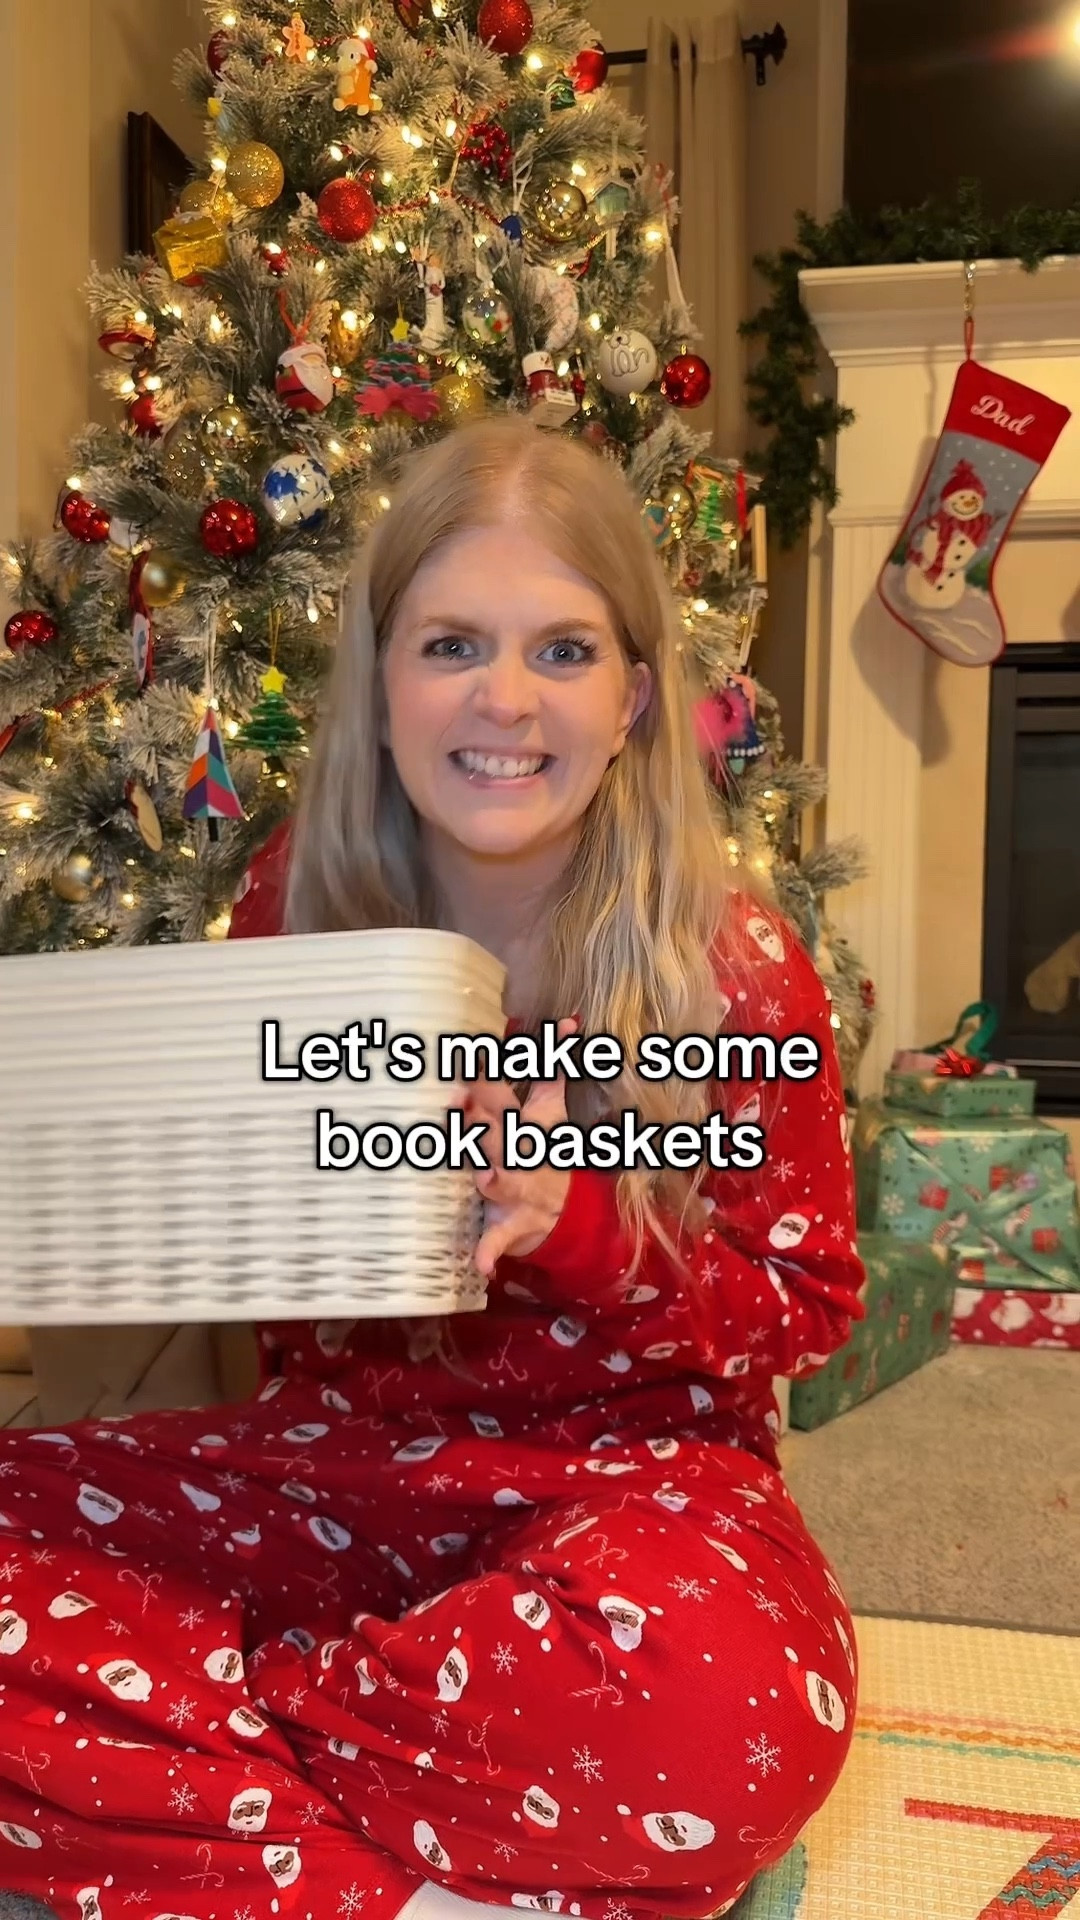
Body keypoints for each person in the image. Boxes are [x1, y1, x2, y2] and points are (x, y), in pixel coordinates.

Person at [0, 420, 864, 1920]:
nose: (505, 699)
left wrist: (585, 1219)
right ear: (383, 681)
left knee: (728, 1704)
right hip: (339, 1475)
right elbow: (240, 1236)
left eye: (565, 650)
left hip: (639, 1502)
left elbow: (802, 1303)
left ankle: (207, 1777)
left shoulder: (733, 970)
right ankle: (428, 1876)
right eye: (453, 642)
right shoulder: (295, 908)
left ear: (636, 697)